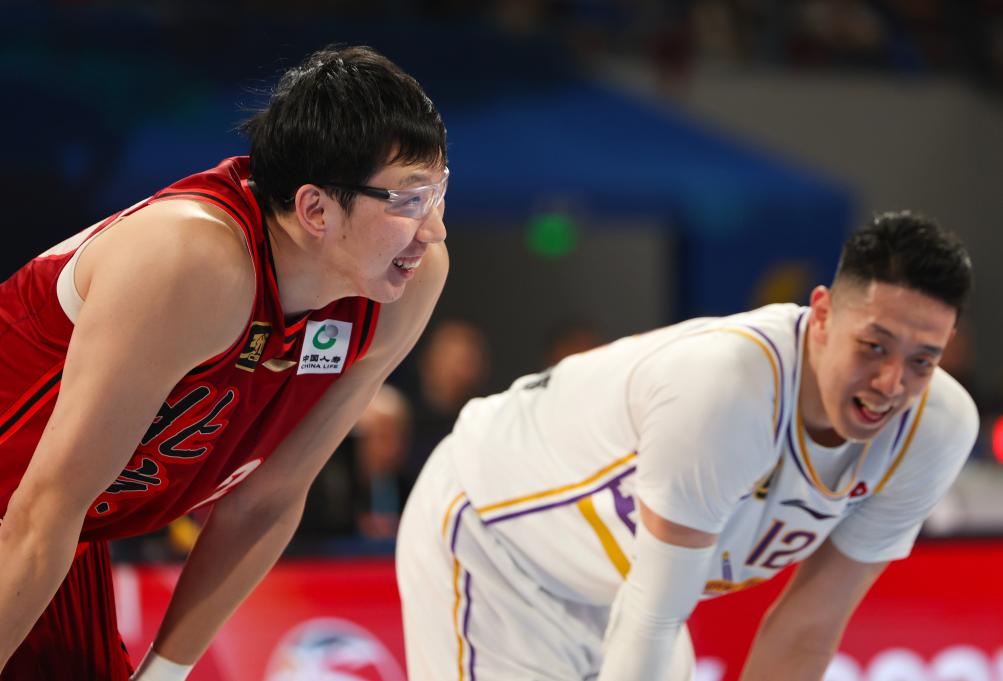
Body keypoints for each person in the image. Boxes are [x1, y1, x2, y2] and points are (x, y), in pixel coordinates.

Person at [0, 44, 449, 680]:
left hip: (49, 530)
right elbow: (43, 508)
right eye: (408, 200)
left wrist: (164, 674)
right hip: (34, 518)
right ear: (315, 209)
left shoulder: (404, 288)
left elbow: (267, 500)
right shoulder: (190, 260)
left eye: (438, 192)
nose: (433, 230)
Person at [396, 211, 977, 680]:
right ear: (822, 314)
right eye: (874, 346)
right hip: (497, 542)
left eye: (922, 361)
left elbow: (808, 627)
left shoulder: (935, 429)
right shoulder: (728, 391)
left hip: (625, 586)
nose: (891, 383)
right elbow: (652, 619)